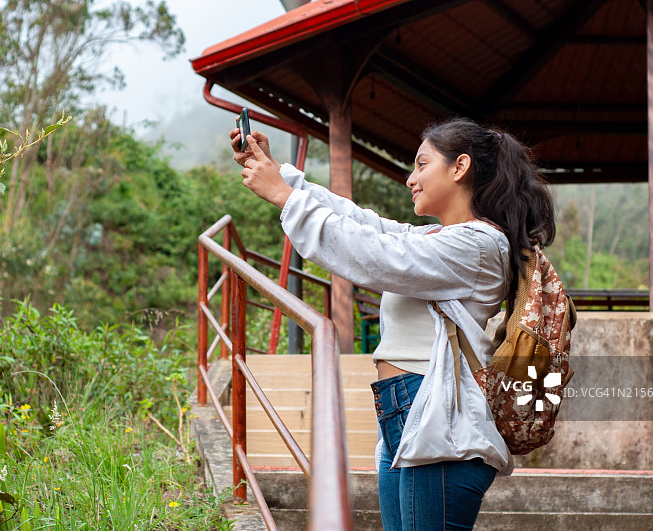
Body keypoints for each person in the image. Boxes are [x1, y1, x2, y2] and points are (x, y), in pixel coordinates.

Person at [230, 118, 556, 530]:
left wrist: (283, 196)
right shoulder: (441, 237)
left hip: (439, 428)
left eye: (421, 165)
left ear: (460, 168)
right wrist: (283, 177)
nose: (410, 179)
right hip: (407, 416)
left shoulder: (478, 244)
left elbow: (374, 254)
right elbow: (364, 225)